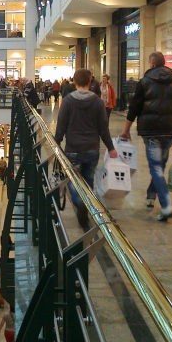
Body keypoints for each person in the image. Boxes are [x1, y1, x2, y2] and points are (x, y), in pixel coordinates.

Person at [120, 51, 172, 221]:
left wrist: (126, 129)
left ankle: (165, 205)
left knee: (156, 167)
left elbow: (134, 108)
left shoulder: (144, 82)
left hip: (151, 131)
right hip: (169, 130)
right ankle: (151, 194)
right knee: (159, 166)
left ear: (151, 64)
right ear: (164, 63)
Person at [55, 68, 117, 230]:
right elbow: (103, 128)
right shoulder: (97, 102)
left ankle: (79, 201)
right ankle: (87, 203)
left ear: (74, 82)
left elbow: (61, 124)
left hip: (73, 148)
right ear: (90, 82)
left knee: (73, 180)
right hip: (92, 148)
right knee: (88, 180)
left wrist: (57, 142)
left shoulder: (68, 101)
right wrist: (111, 147)